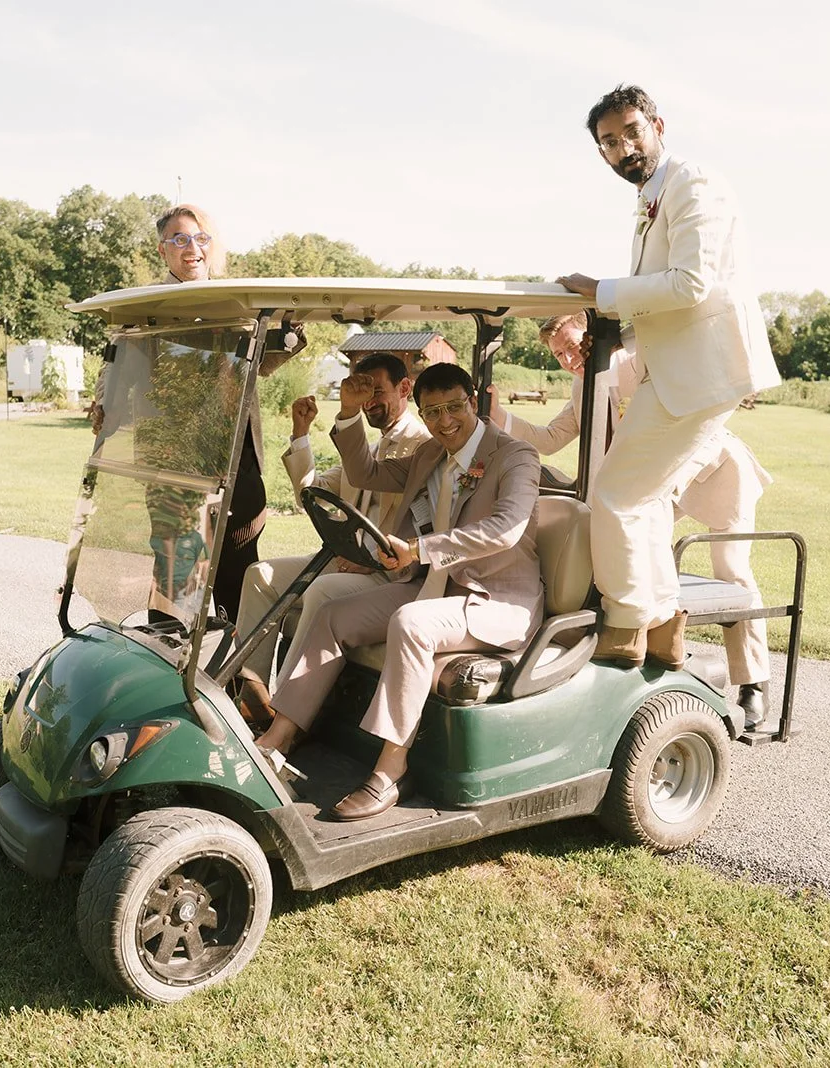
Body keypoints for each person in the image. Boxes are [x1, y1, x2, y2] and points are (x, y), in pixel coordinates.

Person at [252, 363, 543, 821]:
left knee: (409, 623)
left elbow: (505, 529)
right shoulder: (431, 453)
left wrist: (420, 548)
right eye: (432, 412)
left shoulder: (515, 456)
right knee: (333, 613)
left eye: (454, 408)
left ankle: (391, 769)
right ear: (422, 414)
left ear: (474, 402)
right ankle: (276, 739)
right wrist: (349, 413)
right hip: (430, 586)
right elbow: (365, 471)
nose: (444, 421)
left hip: (493, 599)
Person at [556, 84, 780, 673]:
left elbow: (691, 284)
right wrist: (619, 335)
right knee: (644, 498)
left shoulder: (692, 182)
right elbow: (667, 307)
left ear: (657, 125)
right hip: (680, 369)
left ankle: (629, 626)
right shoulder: (651, 198)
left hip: (702, 375)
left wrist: (601, 294)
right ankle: (661, 629)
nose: (623, 147)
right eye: (609, 142)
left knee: (615, 493)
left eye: (631, 131)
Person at [499, 311, 775, 726]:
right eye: (559, 354)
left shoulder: (636, 363)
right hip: (654, 486)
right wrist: (493, 412)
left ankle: (754, 683)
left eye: (574, 346)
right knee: (635, 551)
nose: (570, 358)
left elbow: (685, 435)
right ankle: (652, 644)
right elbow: (549, 439)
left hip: (712, 474)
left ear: (592, 336)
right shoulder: (582, 385)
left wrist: (641, 491)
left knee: (731, 571)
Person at [90, 204, 299, 622]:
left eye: (201, 238)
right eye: (180, 239)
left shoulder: (240, 305)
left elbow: (265, 362)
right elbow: (116, 365)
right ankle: (166, 676)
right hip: (172, 466)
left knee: (240, 574)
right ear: (163, 250)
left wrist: (289, 328)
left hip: (237, 461)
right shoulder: (148, 306)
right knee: (175, 575)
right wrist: (103, 406)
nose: (192, 249)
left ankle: (239, 681)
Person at [233, 352, 430, 699]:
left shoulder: (423, 448)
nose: (369, 403)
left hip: (388, 573)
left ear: (404, 388)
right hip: (346, 562)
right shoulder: (368, 448)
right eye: (362, 394)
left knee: (321, 592)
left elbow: (421, 526)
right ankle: (250, 690)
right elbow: (312, 493)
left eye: (377, 392)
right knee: (259, 575)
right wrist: (300, 432)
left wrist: (367, 554)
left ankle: (287, 707)